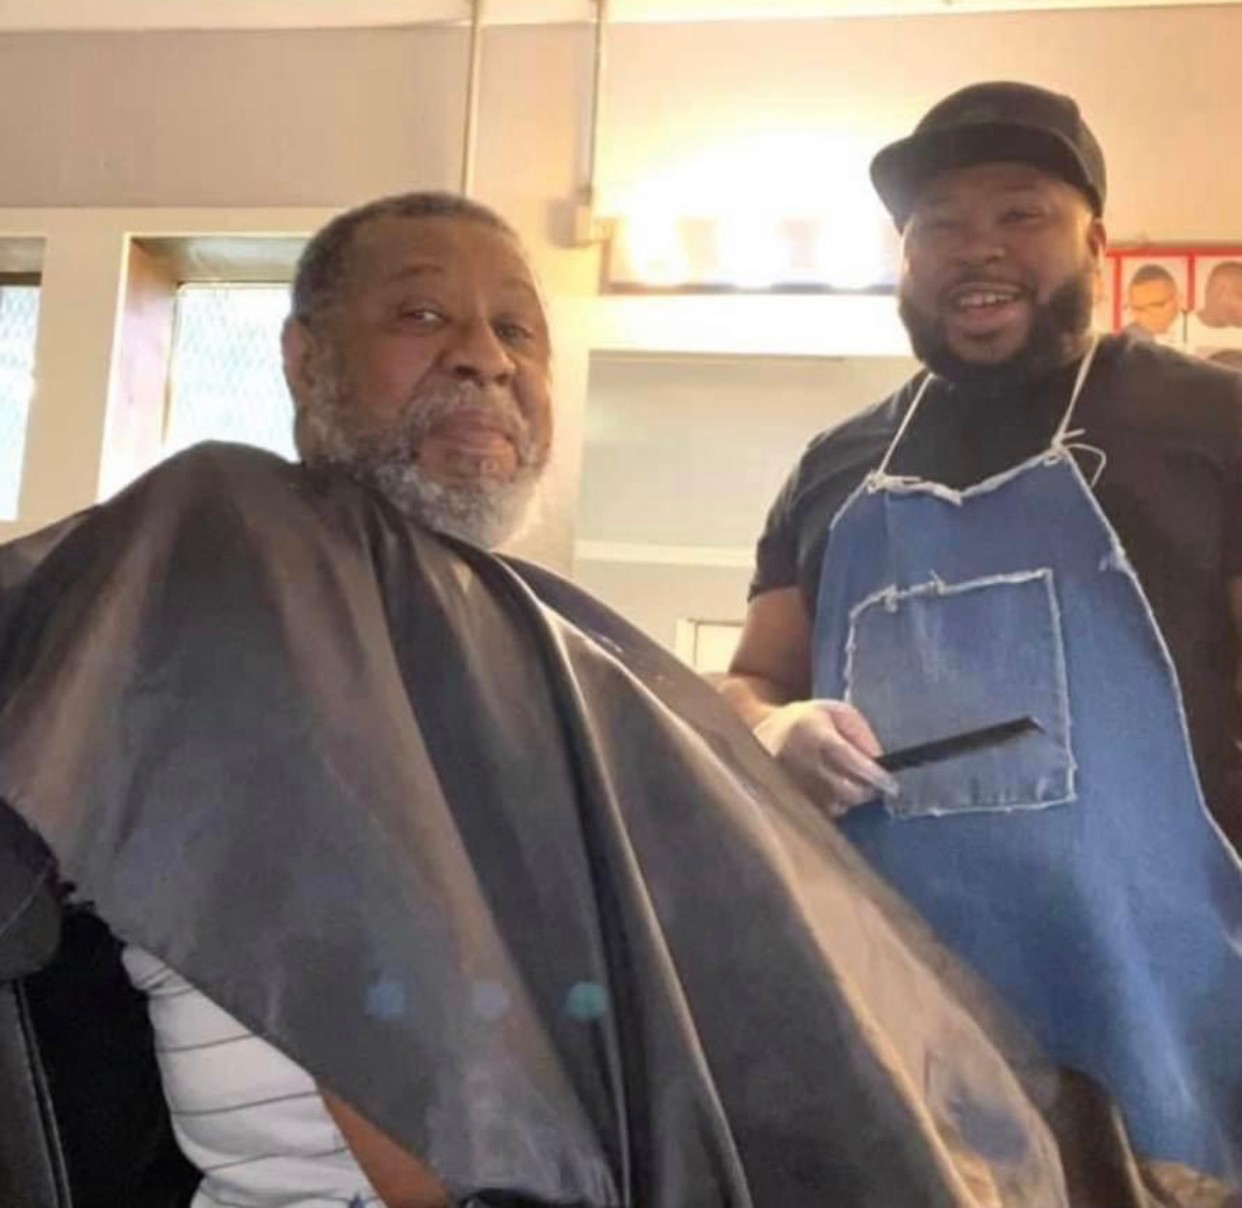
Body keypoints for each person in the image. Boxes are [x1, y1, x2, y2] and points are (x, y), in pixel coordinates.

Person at [1, 191, 1164, 1208]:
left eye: (517, 329)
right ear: (306, 359)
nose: (485, 357)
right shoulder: (246, 548)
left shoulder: (522, 631)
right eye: (423, 314)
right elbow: (399, 1063)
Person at [721, 82, 1242, 1200]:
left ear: (1095, 241)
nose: (979, 247)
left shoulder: (1215, 424)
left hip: (1167, 1022)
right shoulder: (837, 465)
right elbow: (750, 678)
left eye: (1020, 212)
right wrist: (774, 729)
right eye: (940, 223)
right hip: (896, 1020)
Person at [1122, 262, 1181, 341]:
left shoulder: (1194, 331)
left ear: (1175, 301)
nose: (1145, 316)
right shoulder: (1128, 339)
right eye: (1138, 308)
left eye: (1156, 305)